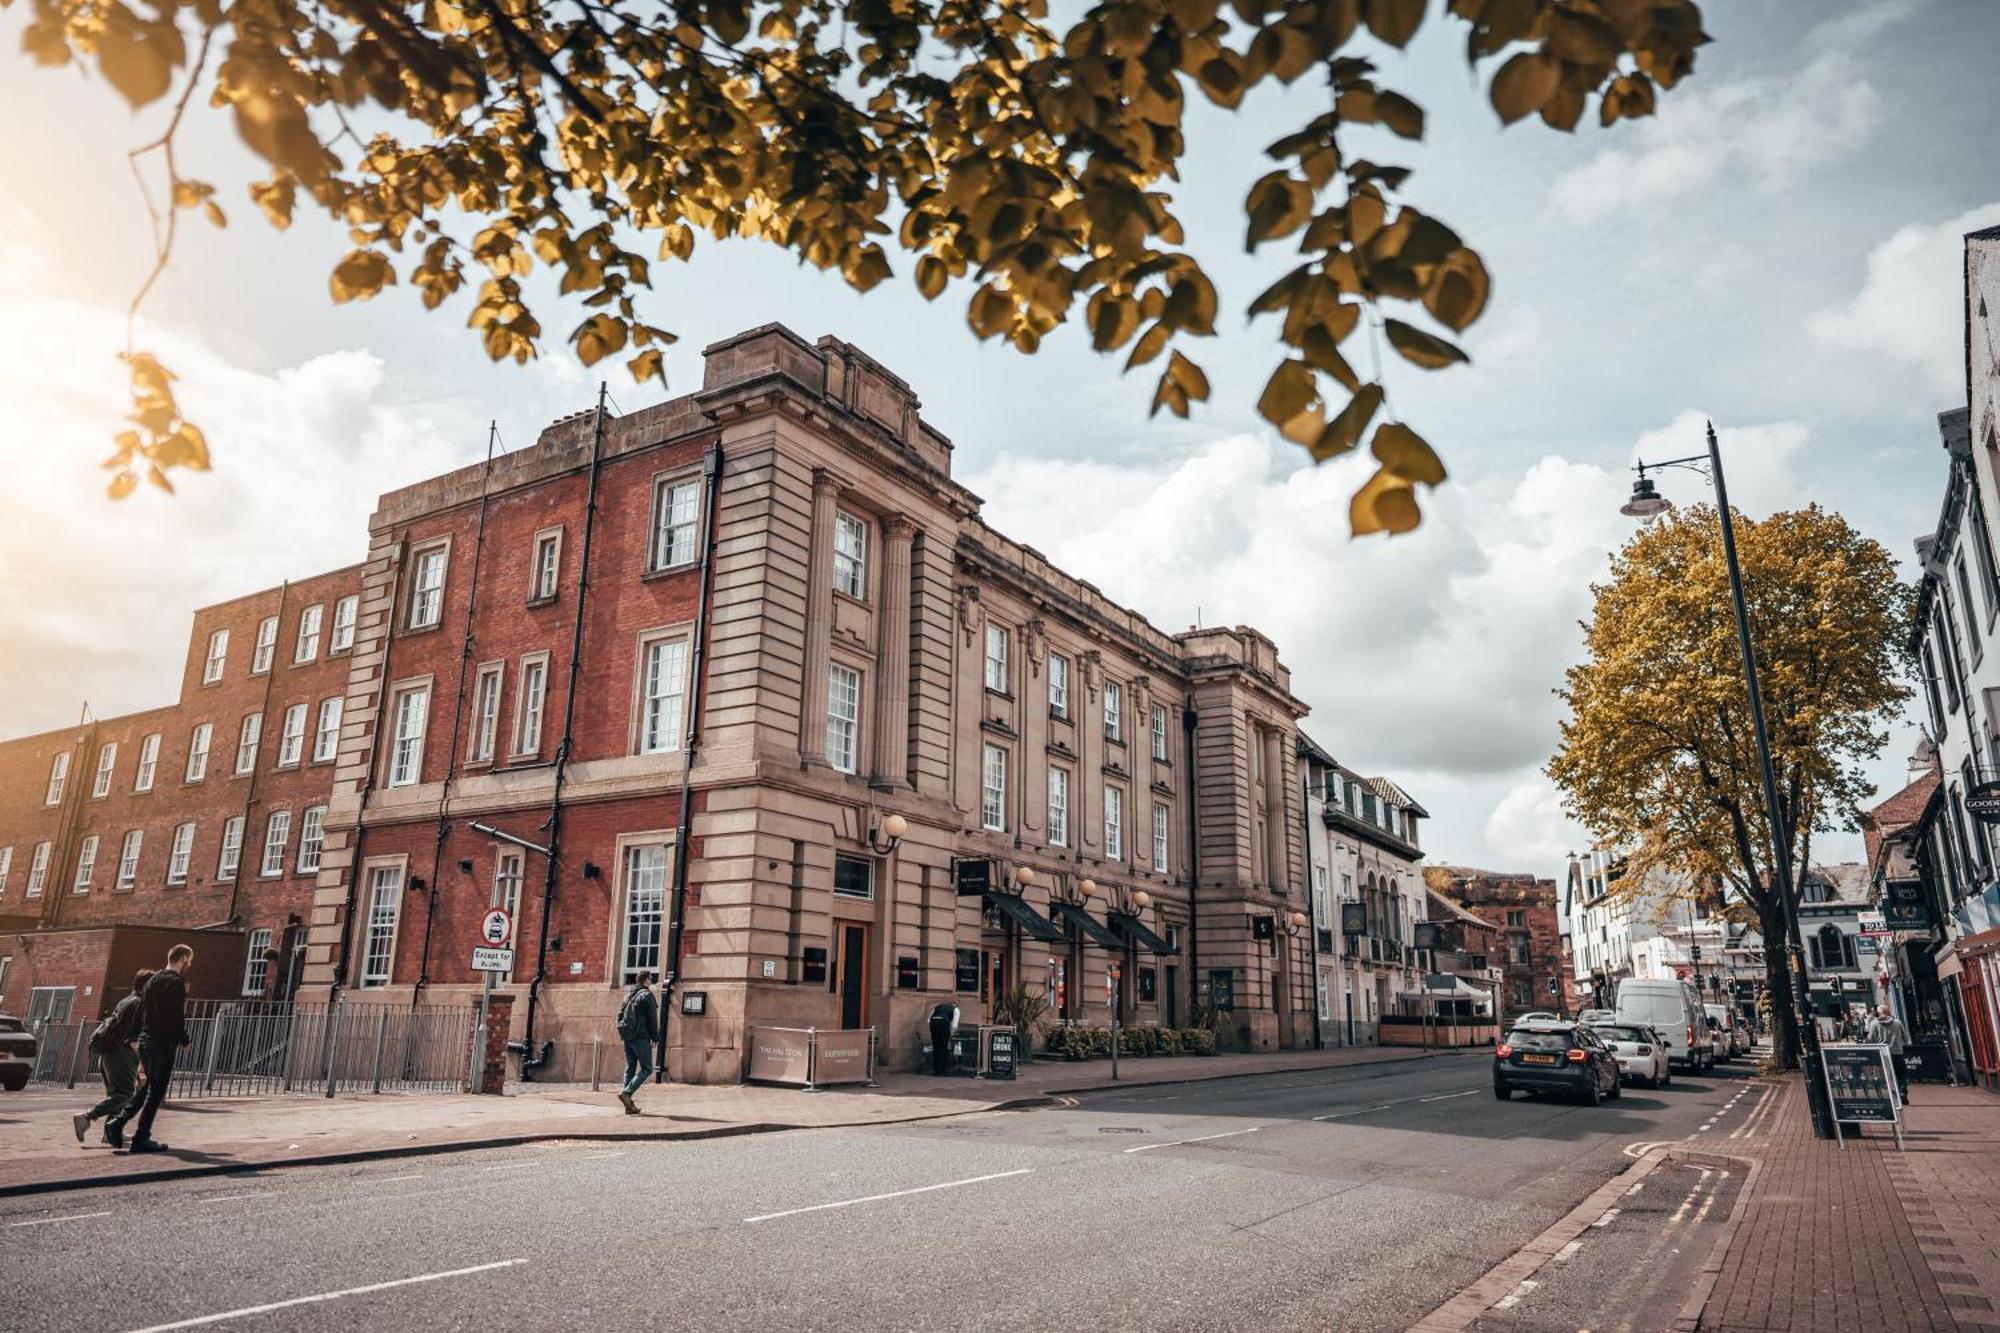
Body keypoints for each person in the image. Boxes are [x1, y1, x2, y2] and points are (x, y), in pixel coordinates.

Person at [104, 944, 194, 1153]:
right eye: (189, 961)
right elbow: (175, 1016)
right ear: (182, 960)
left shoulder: (152, 980)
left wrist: (133, 1037)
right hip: (162, 1043)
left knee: (146, 1088)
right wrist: (184, 1040)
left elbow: (141, 1011)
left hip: (145, 1041)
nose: (189, 965)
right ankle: (141, 1138)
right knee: (156, 1091)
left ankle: (118, 1123)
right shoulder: (176, 983)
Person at [74, 970, 153, 1145]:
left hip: (109, 1054)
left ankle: (110, 1133)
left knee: (116, 1095)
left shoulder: (126, 1000)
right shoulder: (140, 1004)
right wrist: (145, 1064)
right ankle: (86, 1117)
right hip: (122, 1055)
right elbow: (133, 1039)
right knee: (125, 1095)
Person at [613, 971, 659, 1115]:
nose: (651, 981)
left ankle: (628, 1105)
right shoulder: (646, 995)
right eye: (651, 979)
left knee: (630, 1068)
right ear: (645, 980)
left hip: (628, 1036)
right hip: (641, 1036)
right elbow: (652, 1019)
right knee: (647, 1068)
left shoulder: (629, 995)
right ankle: (627, 1093)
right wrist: (655, 1038)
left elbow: (620, 1015)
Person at [1866, 1004, 1912, 1102]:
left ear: (1878, 1013)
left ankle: (1894, 1098)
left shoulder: (1874, 1023)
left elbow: (1871, 1039)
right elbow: (1906, 1038)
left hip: (1883, 1054)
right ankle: (1902, 1091)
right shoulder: (1898, 1023)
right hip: (1897, 1053)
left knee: (1888, 1076)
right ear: (1888, 1012)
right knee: (1901, 1075)